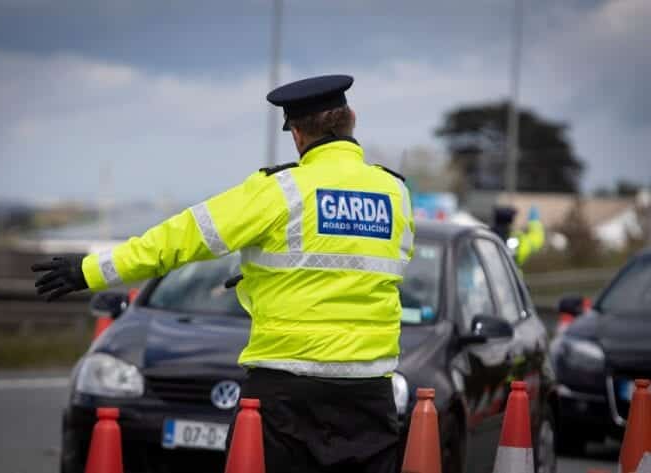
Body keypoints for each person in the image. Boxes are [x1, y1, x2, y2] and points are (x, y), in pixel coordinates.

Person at [32, 74, 415, 472]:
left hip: (286, 389)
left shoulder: (279, 190)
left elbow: (180, 238)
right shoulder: (395, 193)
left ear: (297, 134)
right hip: (370, 391)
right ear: (351, 118)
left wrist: (91, 270)